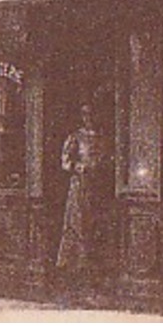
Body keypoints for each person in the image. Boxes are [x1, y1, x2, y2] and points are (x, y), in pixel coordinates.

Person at [56, 104, 106, 283]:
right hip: (79, 185)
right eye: (85, 114)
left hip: (96, 187)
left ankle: (92, 267)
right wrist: (78, 167)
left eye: (91, 114)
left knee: (94, 224)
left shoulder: (100, 138)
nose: (89, 118)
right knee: (76, 223)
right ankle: (74, 267)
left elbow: (105, 159)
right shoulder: (75, 137)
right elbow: (64, 162)